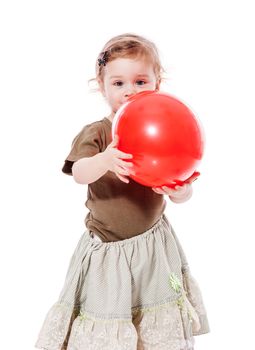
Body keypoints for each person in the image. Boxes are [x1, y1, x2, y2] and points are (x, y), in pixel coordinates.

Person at [35, 33, 210, 350]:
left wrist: (181, 190)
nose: (130, 91)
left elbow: (179, 192)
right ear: (102, 86)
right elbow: (78, 172)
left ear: (157, 83)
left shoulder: (163, 127)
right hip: (109, 250)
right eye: (118, 83)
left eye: (141, 81)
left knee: (153, 318)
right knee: (107, 319)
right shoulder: (99, 132)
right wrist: (104, 159)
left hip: (153, 247)